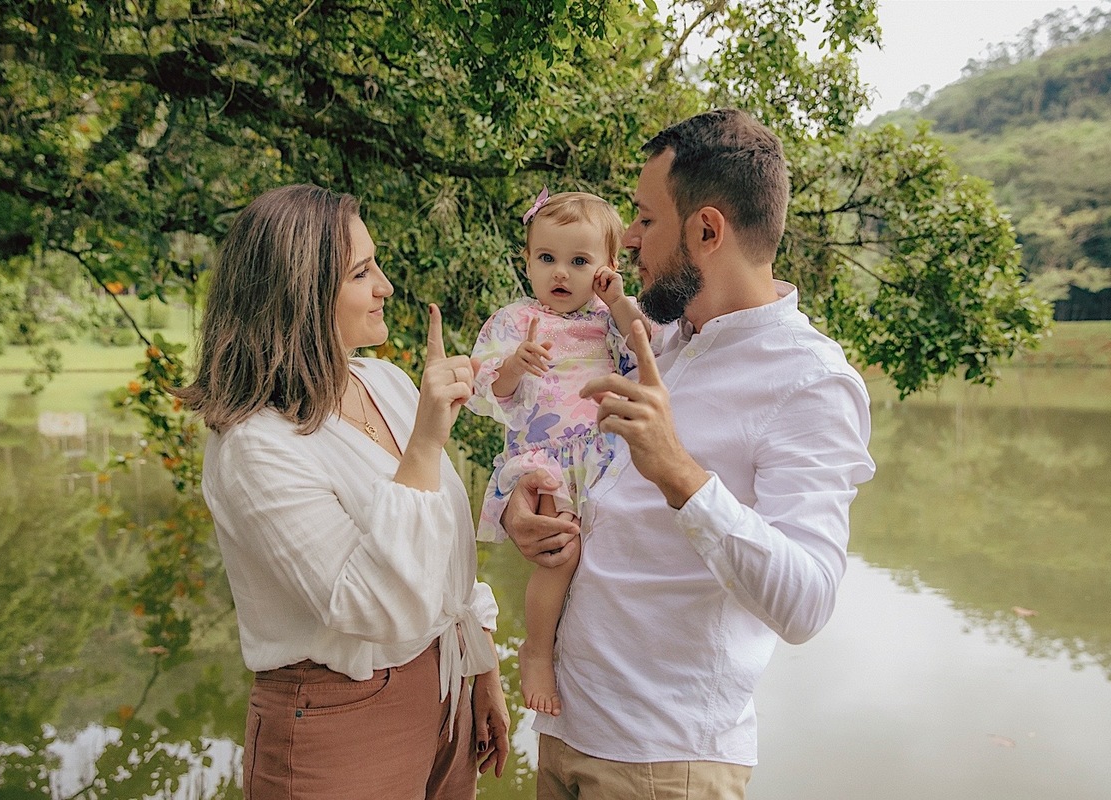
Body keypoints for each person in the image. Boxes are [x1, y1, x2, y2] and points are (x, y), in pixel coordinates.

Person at [500, 110, 877, 799]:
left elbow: (807, 603)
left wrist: (679, 473)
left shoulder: (810, 381)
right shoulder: (658, 338)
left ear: (706, 231)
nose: (628, 239)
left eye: (645, 219)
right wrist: (526, 516)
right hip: (565, 730)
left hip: (662, 764)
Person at [174, 184, 511, 800]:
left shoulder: (384, 381)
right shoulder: (255, 445)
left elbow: (442, 550)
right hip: (341, 714)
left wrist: (480, 666)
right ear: (300, 294)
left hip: (445, 687)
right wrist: (424, 445)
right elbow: (371, 607)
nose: (386, 286)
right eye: (362, 272)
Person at [465, 189, 652, 717]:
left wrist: (617, 301)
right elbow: (486, 391)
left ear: (607, 269)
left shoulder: (608, 319)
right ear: (527, 260)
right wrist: (515, 366)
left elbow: (647, 349)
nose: (561, 273)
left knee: (604, 552)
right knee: (560, 553)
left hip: (602, 454)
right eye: (546, 258)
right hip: (542, 457)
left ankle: (607, 658)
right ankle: (537, 651)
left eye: (580, 262)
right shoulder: (514, 321)